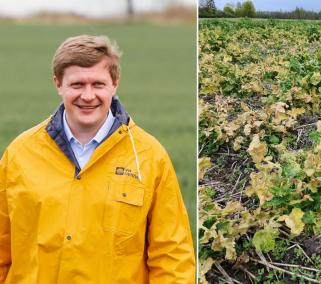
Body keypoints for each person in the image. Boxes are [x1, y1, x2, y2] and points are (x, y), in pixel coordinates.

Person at [0, 35, 195, 283]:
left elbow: (172, 257)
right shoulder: (19, 154)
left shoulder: (149, 156)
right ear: (58, 84)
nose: (88, 96)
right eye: (77, 84)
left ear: (115, 84)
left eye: (98, 84)